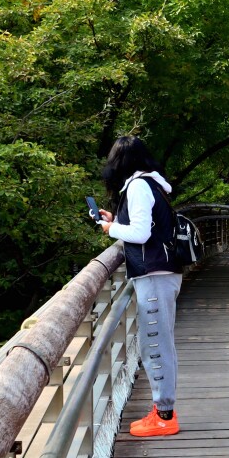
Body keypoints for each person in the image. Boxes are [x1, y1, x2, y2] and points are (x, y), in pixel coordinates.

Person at [97, 135, 183, 437]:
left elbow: (141, 232)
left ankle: (165, 416)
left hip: (154, 274)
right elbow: (142, 225)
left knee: (156, 345)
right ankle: (162, 409)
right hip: (159, 273)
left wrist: (110, 229)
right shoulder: (150, 184)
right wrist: (115, 219)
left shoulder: (137, 186)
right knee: (157, 342)